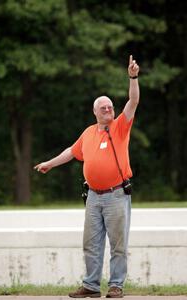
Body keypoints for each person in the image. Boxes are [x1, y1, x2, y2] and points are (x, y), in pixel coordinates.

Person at [34, 55, 140, 298]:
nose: (108, 110)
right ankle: (91, 286)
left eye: (110, 107)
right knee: (90, 244)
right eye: (103, 108)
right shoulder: (89, 133)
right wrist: (49, 164)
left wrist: (133, 77)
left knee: (118, 245)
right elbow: (71, 152)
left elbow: (133, 101)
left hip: (116, 195)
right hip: (93, 196)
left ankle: (116, 286)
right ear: (95, 112)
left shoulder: (120, 127)